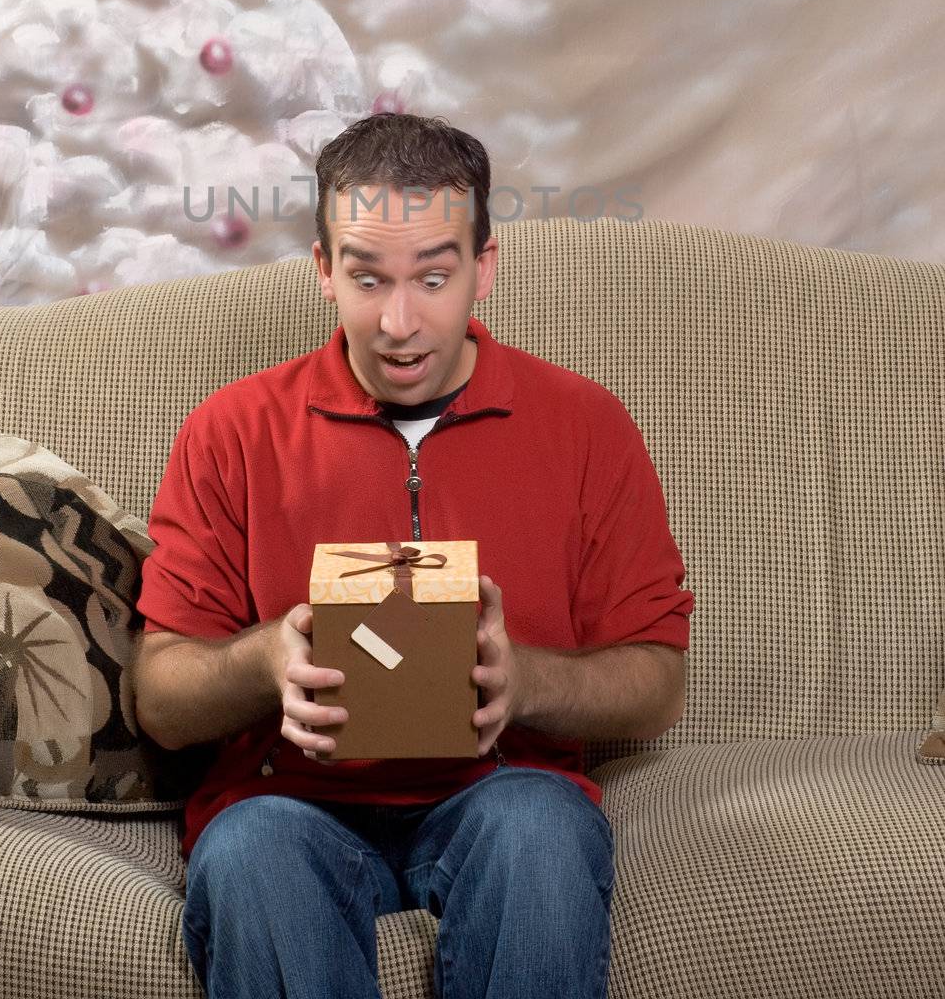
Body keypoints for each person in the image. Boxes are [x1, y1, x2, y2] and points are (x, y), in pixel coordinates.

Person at [134, 112, 694, 999]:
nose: (400, 323)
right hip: (286, 804)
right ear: (322, 270)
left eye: (434, 277)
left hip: (503, 792)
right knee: (251, 853)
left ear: (485, 267)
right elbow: (161, 701)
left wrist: (528, 683)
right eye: (367, 279)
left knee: (538, 833)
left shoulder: (585, 425)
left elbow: (657, 682)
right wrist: (263, 658)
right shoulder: (231, 430)